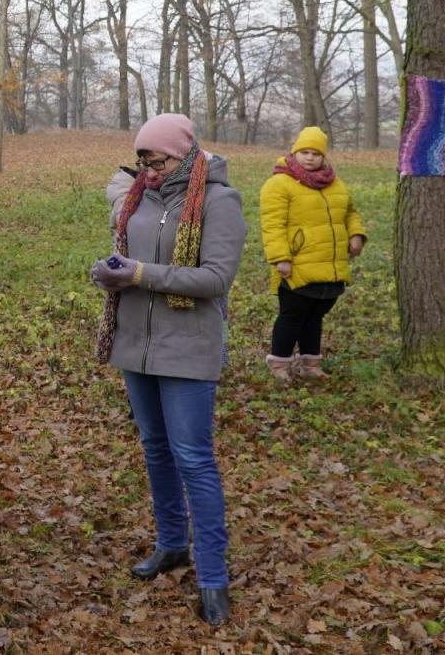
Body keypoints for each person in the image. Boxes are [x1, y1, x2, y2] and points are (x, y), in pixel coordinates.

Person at [89, 114, 245, 626]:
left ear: (186, 154)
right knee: (155, 449)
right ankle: (172, 543)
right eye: (144, 162)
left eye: (159, 161)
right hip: (137, 345)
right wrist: (113, 274)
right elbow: (129, 257)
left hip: (188, 349)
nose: (151, 171)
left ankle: (213, 578)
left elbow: (215, 278)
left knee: (193, 458)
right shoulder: (139, 198)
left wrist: (140, 274)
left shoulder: (219, 200)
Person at [258, 126, 367, 381]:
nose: (309, 157)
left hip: (331, 263)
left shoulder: (334, 182)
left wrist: (356, 234)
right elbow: (272, 225)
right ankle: (280, 365)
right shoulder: (279, 184)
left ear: (324, 157)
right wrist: (281, 258)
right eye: (304, 152)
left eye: (315, 153)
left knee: (315, 316)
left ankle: (310, 364)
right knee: (292, 316)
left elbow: (350, 211)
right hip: (298, 264)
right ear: (295, 153)